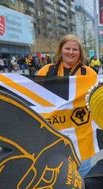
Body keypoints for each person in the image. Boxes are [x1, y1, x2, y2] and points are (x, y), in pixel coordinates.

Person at [36, 34, 97, 176]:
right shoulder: (46, 71)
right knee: (54, 171)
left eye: (75, 49)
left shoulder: (89, 73)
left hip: (81, 132)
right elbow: (32, 93)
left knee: (83, 171)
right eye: (67, 48)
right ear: (60, 50)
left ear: (80, 52)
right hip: (53, 131)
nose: (71, 52)